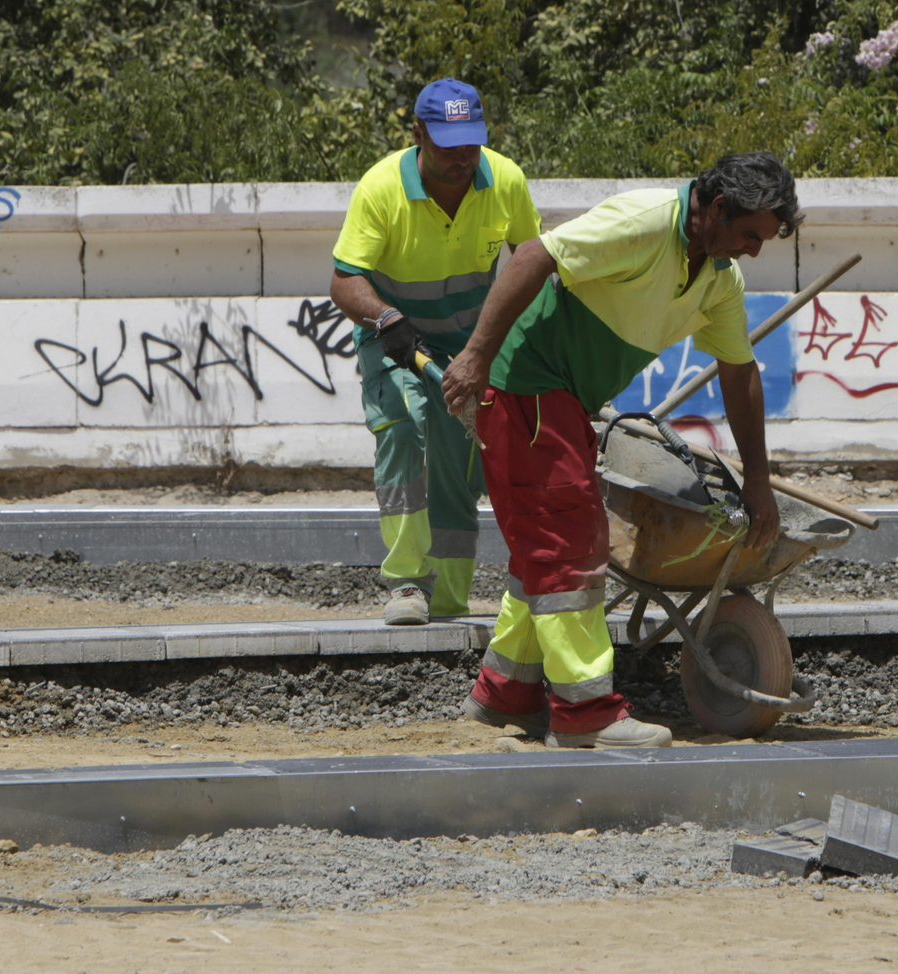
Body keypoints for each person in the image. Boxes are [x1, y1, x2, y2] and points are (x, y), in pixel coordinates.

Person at [440, 152, 802, 748]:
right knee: (572, 540)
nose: (754, 251)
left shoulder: (718, 278)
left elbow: (739, 374)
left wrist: (758, 483)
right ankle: (585, 713)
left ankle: (506, 694)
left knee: (546, 544)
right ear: (717, 208)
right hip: (526, 385)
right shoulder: (645, 222)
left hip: (564, 399)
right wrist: (476, 356)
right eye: (749, 235)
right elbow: (534, 255)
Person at [330, 78, 541, 626]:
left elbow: (532, 264)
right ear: (418, 133)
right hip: (394, 338)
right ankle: (405, 581)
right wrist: (386, 318)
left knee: (455, 461)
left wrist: (509, 348)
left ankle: (447, 597)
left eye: (471, 143)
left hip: (470, 347)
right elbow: (345, 281)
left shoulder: (505, 180)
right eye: (448, 145)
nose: (462, 157)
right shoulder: (382, 188)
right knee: (402, 431)